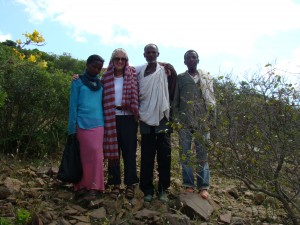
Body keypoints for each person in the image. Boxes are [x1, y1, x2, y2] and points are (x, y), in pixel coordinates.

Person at [172, 50, 216, 199]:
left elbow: (211, 101)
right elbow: (175, 101)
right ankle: (188, 184)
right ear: (184, 62)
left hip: (203, 123)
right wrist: (176, 120)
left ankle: (203, 186)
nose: (191, 60)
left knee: (202, 155)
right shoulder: (181, 78)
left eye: (193, 57)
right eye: (188, 58)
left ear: (198, 60)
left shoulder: (206, 78)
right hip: (184, 123)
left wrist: (212, 120)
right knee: (185, 155)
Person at [136, 43, 177, 202]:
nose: (151, 55)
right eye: (148, 52)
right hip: (145, 117)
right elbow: (121, 69)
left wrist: (169, 68)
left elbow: (172, 90)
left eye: (154, 52)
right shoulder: (140, 72)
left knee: (164, 156)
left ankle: (163, 189)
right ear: (144, 54)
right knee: (146, 157)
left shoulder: (165, 71)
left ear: (158, 54)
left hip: (163, 118)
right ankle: (147, 189)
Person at [102, 48, 139, 199]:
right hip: (111, 118)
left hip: (129, 118)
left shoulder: (133, 75)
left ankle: (130, 184)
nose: (120, 61)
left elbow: (152, 65)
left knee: (129, 153)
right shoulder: (105, 78)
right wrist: (78, 77)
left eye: (123, 59)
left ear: (126, 61)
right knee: (113, 153)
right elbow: (93, 85)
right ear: (112, 61)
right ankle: (115, 184)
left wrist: (166, 65)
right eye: (117, 58)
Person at [68, 54, 105, 202]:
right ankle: (80, 186)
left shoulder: (101, 83)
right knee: (82, 157)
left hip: (98, 125)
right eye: (94, 66)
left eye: (99, 68)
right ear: (87, 64)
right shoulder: (77, 82)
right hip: (81, 124)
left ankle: (95, 187)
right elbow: (73, 106)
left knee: (96, 156)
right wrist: (72, 129)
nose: (96, 70)